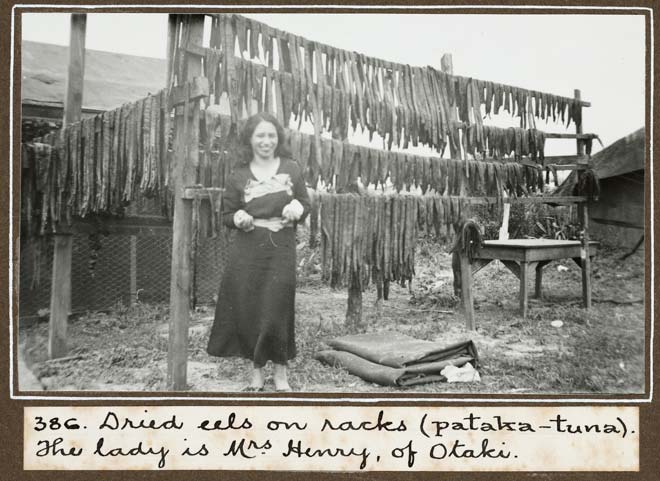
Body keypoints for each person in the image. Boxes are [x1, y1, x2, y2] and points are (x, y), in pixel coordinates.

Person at [207, 112, 310, 392]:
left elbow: (305, 203)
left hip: (281, 248)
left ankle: (281, 374)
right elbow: (226, 214)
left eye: (271, 135)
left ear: (278, 139)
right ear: (250, 140)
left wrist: (296, 209)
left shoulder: (291, 169)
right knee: (251, 308)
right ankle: (256, 374)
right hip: (248, 249)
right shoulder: (238, 174)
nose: (266, 141)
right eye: (260, 135)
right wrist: (238, 216)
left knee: (277, 308)